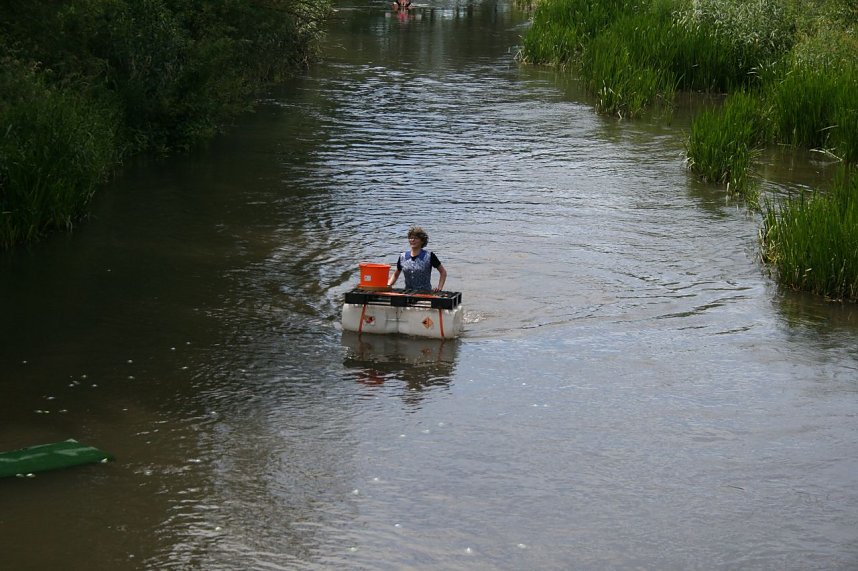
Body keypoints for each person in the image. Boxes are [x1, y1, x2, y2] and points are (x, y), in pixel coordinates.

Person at [387, 226, 447, 292]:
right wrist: (388, 285)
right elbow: (396, 274)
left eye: (416, 238)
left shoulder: (429, 256)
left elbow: (443, 272)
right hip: (407, 293)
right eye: (411, 238)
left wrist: (439, 288)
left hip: (425, 294)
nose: (412, 240)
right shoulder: (402, 256)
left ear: (422, 241)